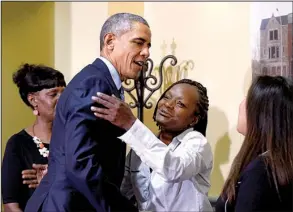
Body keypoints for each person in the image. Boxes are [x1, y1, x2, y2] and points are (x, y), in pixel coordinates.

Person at [25, 12, 151, 212]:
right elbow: (80, 162)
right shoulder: (94, 82)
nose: (146, 52)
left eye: (148, 46)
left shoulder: (102, 81)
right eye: (139, 43)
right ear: (110, 41)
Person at [91, 79, 214, 211]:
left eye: (180, 104)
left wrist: (131, 124)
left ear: (193, 119)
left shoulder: (197, 143)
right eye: (166, 97)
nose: (168, 104)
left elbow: (174, 169)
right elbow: (123, 192)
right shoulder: (139, 149)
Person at [215, 75, 293, 212]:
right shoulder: (270, 164)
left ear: (262, 115)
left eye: (249, 99)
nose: (241, 104)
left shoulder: (261, 173)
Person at [1, 63, 66, 212]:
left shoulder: (73, 139)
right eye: (53, 94)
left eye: (64, 93)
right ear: (33, 100)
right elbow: (11, 205)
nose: (62, 99)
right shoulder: (17, 144)